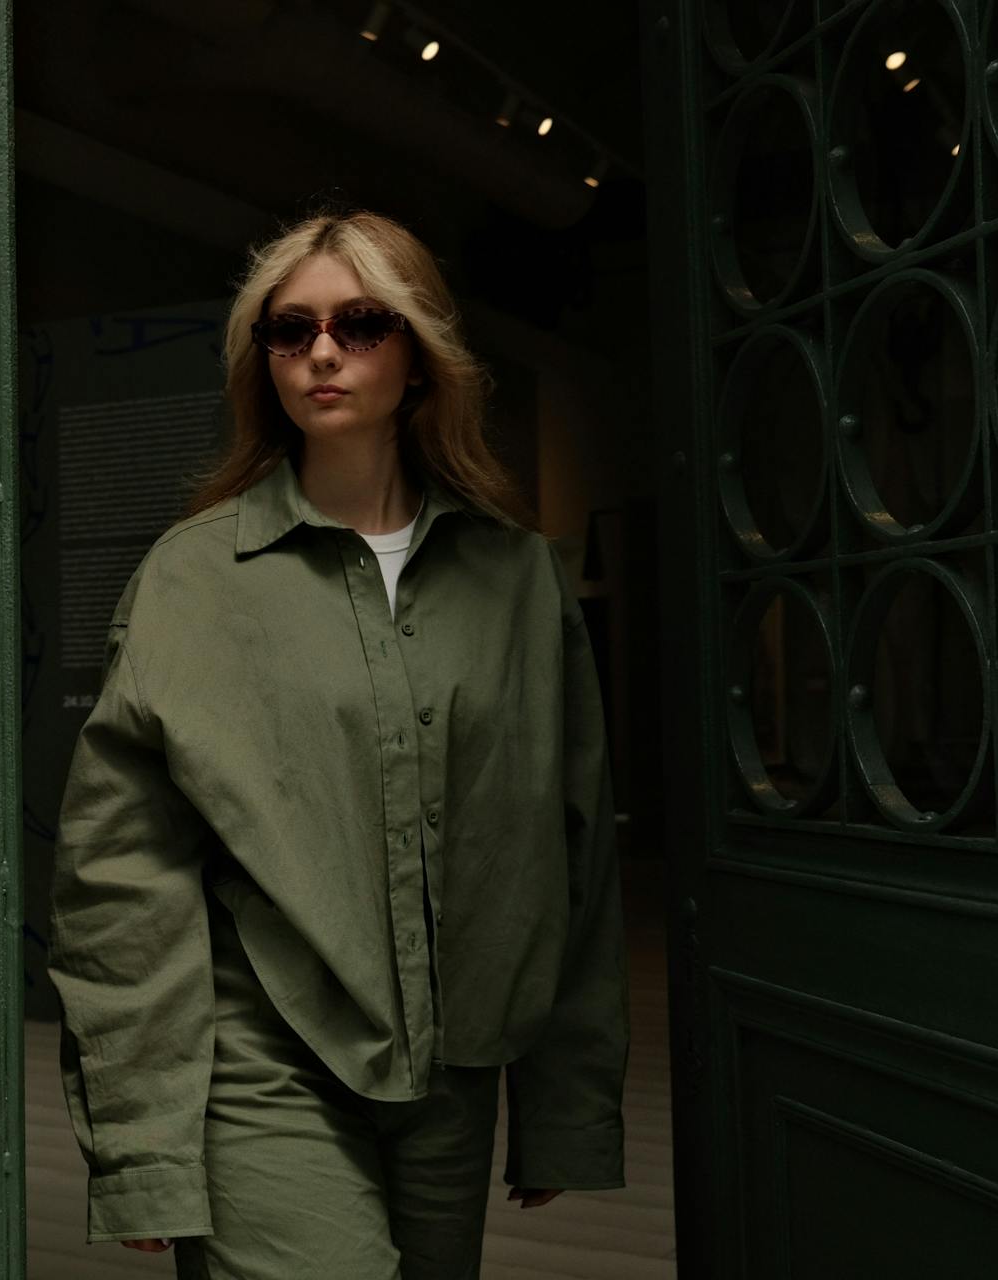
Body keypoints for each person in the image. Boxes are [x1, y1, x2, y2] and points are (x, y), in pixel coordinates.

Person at [46, 209, 630, 1280]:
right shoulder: (193, 579)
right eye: (291, 328)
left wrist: (563, 1104)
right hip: (266, 1060)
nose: (322, 349)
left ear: (419, 355)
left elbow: (568, 850)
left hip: (458, 1072)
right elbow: (121, 876)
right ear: (261, 357)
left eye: (362, 322)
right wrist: (141, 1140)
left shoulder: (519, 579)